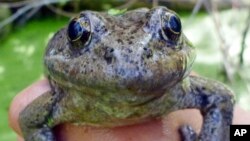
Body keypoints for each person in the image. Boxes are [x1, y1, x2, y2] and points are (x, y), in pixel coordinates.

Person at [9, 79, 250, 141]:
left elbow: (220, 98)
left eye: (169, 30)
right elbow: (31, 120)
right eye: (80, 35)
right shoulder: (60, 97)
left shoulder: (183, 88)